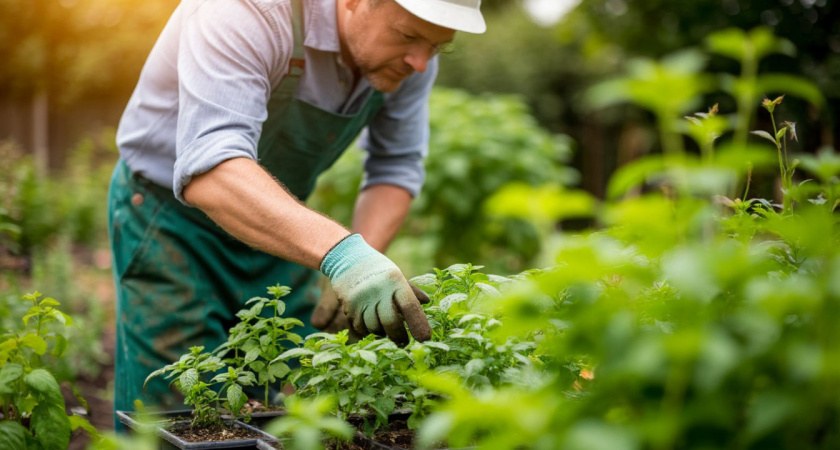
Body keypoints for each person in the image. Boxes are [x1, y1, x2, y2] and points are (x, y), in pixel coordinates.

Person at [108, 0, 486, 418]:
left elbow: (395, 166)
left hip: (279, 232)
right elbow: (210, 170)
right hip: (171, 225)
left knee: (288, 400)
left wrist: (361, 270)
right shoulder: (247, 11)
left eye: (437, 47)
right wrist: (344, 256)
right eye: (407, 35)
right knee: (181, 408)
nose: (421, 62)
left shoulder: (411, 59)